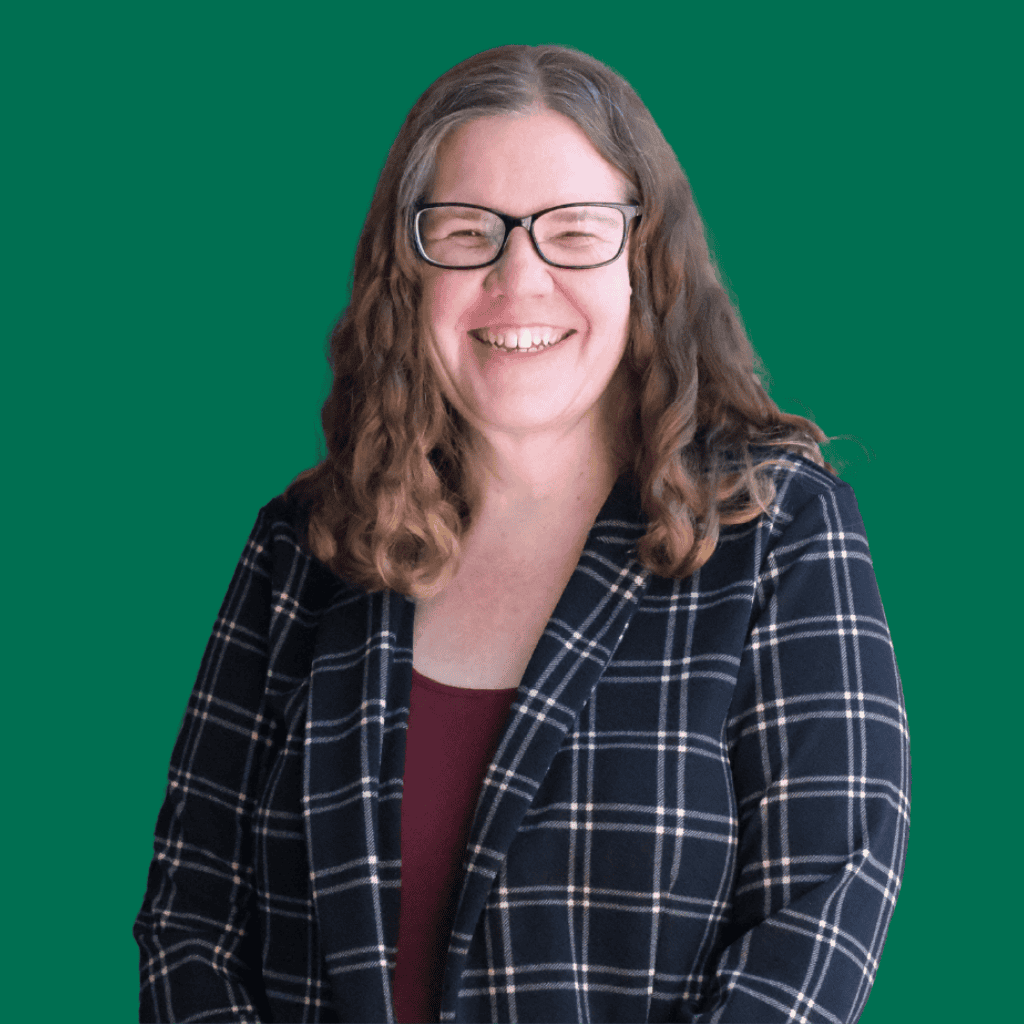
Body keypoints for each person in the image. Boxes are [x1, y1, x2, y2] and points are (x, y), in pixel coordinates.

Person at [135, 44, 909, 1024]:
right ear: (407, 270)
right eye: (468, 232)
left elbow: (818, 921)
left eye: (573, 232)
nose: (518, 276)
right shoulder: (304, 549)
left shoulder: (778, 532)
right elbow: (192, 919)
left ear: (646, 261)